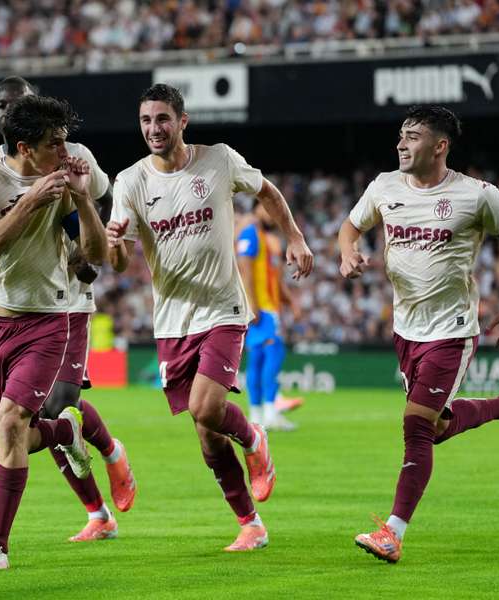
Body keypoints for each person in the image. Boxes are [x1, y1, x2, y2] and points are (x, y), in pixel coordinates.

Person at [107, 83, 314, 551]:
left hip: (223, 307)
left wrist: (296, 237)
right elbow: (117, 262)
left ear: (183, 121)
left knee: (206, 408)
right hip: (172, 320)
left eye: (162, 119)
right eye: (145, 121)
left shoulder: (218, 159)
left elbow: (267, 192)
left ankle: (254, 436)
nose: (153, 129)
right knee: (205, 434)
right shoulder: (130, 182)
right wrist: (115, 241)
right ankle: (250, 524)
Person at [339, 105, 499, 563]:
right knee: (437, 427)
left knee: (415, 426)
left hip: (452, 330)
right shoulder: (384, 186)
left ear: (439, 146)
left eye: (411, 137)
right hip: (405, 329)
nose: (400, 144)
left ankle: (393, 532)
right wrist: (348, 252)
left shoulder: (477, 195)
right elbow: (350, 227)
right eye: (400, 136)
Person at [0, 76, 137, 543]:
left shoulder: (71, 159)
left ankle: (106, 461)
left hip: (64, 302)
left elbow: (99, 213)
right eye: (1, 105)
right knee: (23, 429)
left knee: (49, 407)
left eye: (18, 104)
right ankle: (98, 509)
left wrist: (89, 244)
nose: (7, 110)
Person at [237, 199, 303, 431]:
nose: (271, 214)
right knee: (271, 355)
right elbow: (243, 268)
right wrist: (251, 304)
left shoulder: (270, 241)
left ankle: (259, 416)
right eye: (266, 208)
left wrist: (291, 302)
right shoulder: (250, 234)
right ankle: (268, 412)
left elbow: (275, 278)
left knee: (259, 359)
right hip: (261, 308)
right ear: (255, 209)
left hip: (269, 306)